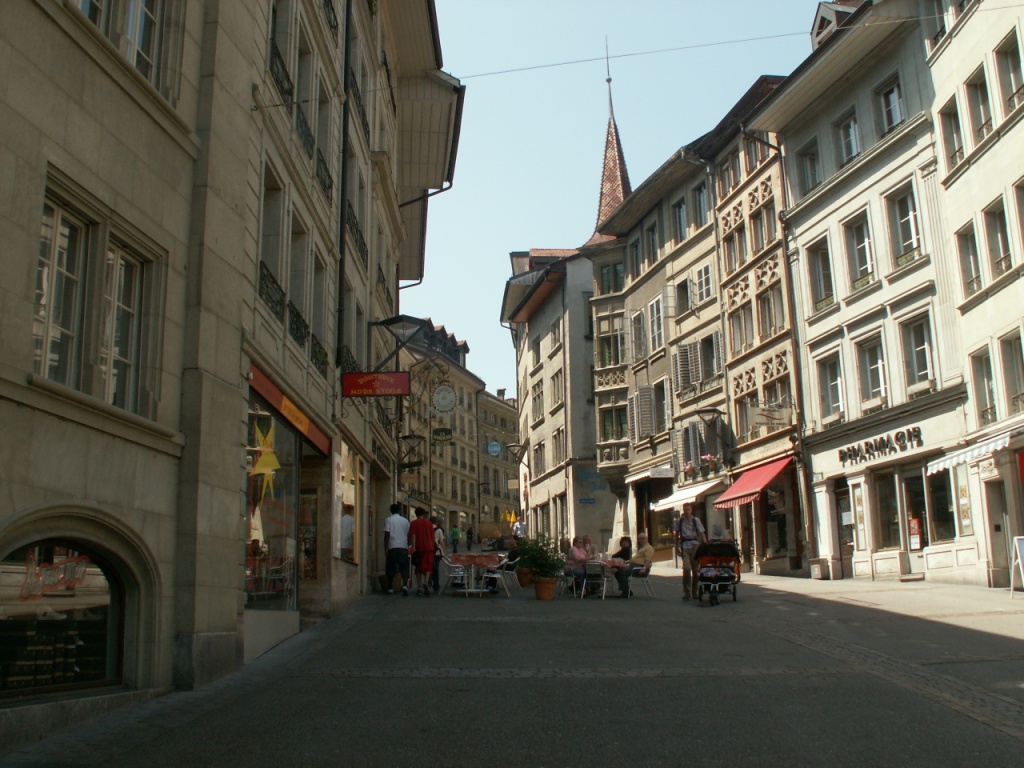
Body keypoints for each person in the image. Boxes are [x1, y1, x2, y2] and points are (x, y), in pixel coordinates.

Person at [676, 506, 707, 601]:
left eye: (689, 509)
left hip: (694, 546)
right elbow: (676, 534)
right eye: (685, 510)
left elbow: (702, 533)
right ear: (683, 510)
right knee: (686, 568)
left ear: (691, 510)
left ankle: (695, 592)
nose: (687, 511)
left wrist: (705, 544)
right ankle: (687, 591)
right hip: (684, 546)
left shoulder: (696, 520)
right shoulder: (680, 521)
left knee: (695, 570)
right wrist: (676, 547)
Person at [615, 532, 654, 598]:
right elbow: (634, 560)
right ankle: (626, 590)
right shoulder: (642, 548)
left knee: (622, 571)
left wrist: (644, 569)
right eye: (640, 539)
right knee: (617, 571)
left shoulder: (649, 548)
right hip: (635, 566)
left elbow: (648, 560)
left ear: (647, 539)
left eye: (643, 539)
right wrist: (626, 562)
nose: (641, 540)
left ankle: (626, 591)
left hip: (640, 568)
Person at [383, 503, 411, 595]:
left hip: (392, 546)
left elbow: (387, 534)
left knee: (391, 567)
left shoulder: (388, 520)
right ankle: (405, 585)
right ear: (399, 510)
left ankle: (390, 587)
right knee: (404, 567)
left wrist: (386, 547)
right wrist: (408, 545)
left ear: (391, 511)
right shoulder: (405, 521)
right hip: (403, 546)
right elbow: (408, 534)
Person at [409, 507, 435, 596]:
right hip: (429, 547)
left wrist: (413, 547)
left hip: (419, 548)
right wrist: (432, 545)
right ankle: (426, 582)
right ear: (423, 514)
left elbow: (413, 535)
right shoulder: (429, 523)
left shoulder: (413, 523)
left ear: (416, 514)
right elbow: (433, 536)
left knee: (418, 567)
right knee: (428, 566)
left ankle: (419, 586)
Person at [430, 516, 446, 594]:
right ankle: (436, 585)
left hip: (428, 551)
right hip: (437, 551)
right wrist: (443, 550)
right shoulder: (439, 530)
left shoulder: (427, 528)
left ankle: (429, 581)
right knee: (436, 568)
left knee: (430, 566)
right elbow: (441, 541)